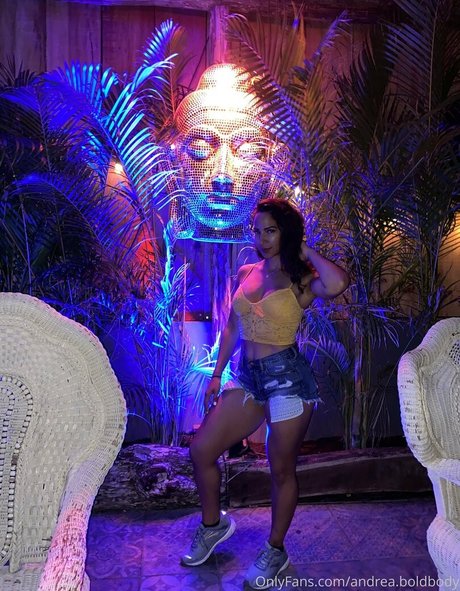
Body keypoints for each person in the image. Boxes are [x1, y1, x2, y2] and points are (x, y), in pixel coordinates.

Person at [181, 197, 349, 589]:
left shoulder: (300, 279)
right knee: (202, 450)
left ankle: (275, 550)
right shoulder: (247, 270)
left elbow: (339, 283)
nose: (262, 239)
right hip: (248, 378)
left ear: (286, 232)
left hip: (287, 381)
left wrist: (304, 249)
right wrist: (216, 375)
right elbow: (231, 328)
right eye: (257, 231)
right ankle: (213, 526)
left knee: (281, 469)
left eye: (270, 231)